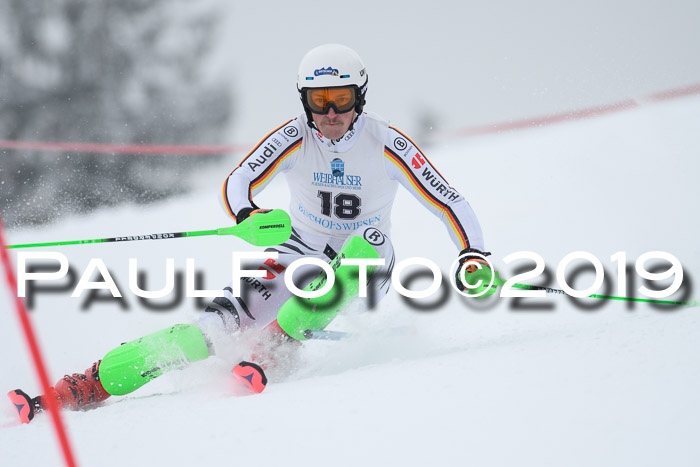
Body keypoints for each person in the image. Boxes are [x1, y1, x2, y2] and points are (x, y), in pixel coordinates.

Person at [8, 43, 495, 424]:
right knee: (206, 333)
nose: (329, 113)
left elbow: (448, 200)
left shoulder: (385, 142)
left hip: (363, 263)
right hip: (296, 254)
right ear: (304, 100)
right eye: (318, 101)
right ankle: (83, 386)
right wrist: (247, 216)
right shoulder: (293, 135)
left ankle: (270, 351)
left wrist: (473, 255)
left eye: (340, 100)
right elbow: (239, 180)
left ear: (360, 96)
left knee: (359, 251)